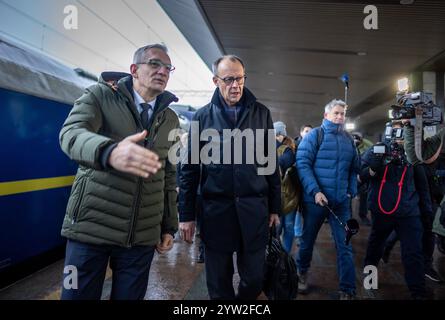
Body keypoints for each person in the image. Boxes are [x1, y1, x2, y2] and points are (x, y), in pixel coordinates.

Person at [59, 44, 179, 300]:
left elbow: (168, 174)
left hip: (141, 238)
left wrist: (169, 226)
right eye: (155, 64)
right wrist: (108, 151)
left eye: (168, 67)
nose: (163, 71)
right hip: (91, 229)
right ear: (134, 70)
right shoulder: (98, 96)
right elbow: (70, 134)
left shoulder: (171, 119)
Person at [179, 55, 281, 300]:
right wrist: (186, 215)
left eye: (241, 78)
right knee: (218, 282)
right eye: (229, 79)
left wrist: (275, 207)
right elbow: (190, 169)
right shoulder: (202, 117)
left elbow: (271, 165)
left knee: (255, 279)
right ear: (216, 80)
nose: (236, 85)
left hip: (253, 210)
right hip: (216, 212)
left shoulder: (261, 114)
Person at [296, 99, 359, 299]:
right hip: (315, 201)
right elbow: (302, 164)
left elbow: (353, 169)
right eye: (336, 113)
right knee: (307, 241)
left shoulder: (348, 139)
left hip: (340, 203)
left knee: (345, 245)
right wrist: (315, 191)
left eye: (342, 114)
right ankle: (302, 272)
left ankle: (347, 289)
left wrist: (351, 190)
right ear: (326, 115)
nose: (340, 117)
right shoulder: (315, 135)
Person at [360, 121, 431, 298]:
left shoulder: (413, 154)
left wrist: (427, 213)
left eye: (404, 131)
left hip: (408, 212)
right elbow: (360, 176)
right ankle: (369, 281)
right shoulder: (377, 150)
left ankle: (418, 292)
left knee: (413, 252)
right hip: (382, 210)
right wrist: (373, 169)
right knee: (375, 247)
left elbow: (423, 186)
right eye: (396, 130)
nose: (399, 135)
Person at [274, 121, 298, 253]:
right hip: (280, 195)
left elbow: (281, 164)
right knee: (278, 227)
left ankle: (285, 255)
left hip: (288, 195)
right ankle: (277, 255)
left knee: (288, 226)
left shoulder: (288, 150)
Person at [294, 124, 313, 244]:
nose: (308, 134)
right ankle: (297, 232)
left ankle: (304, 234)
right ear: (301, 133)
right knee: (296, 208)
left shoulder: (314, 145)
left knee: (305, 209)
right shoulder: (294, 145)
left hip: (308, 181)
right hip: (296, 181)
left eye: (310, 132)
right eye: (306, 131)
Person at [352, 132, 374, 226]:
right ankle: (346, 217)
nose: (356, 139)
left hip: (362, 173)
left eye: (358, 138)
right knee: (346, 196)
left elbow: (372, 155)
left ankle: (363, 215)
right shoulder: (348, 144)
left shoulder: (367, 144)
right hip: (350, 173)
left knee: (363, 194)